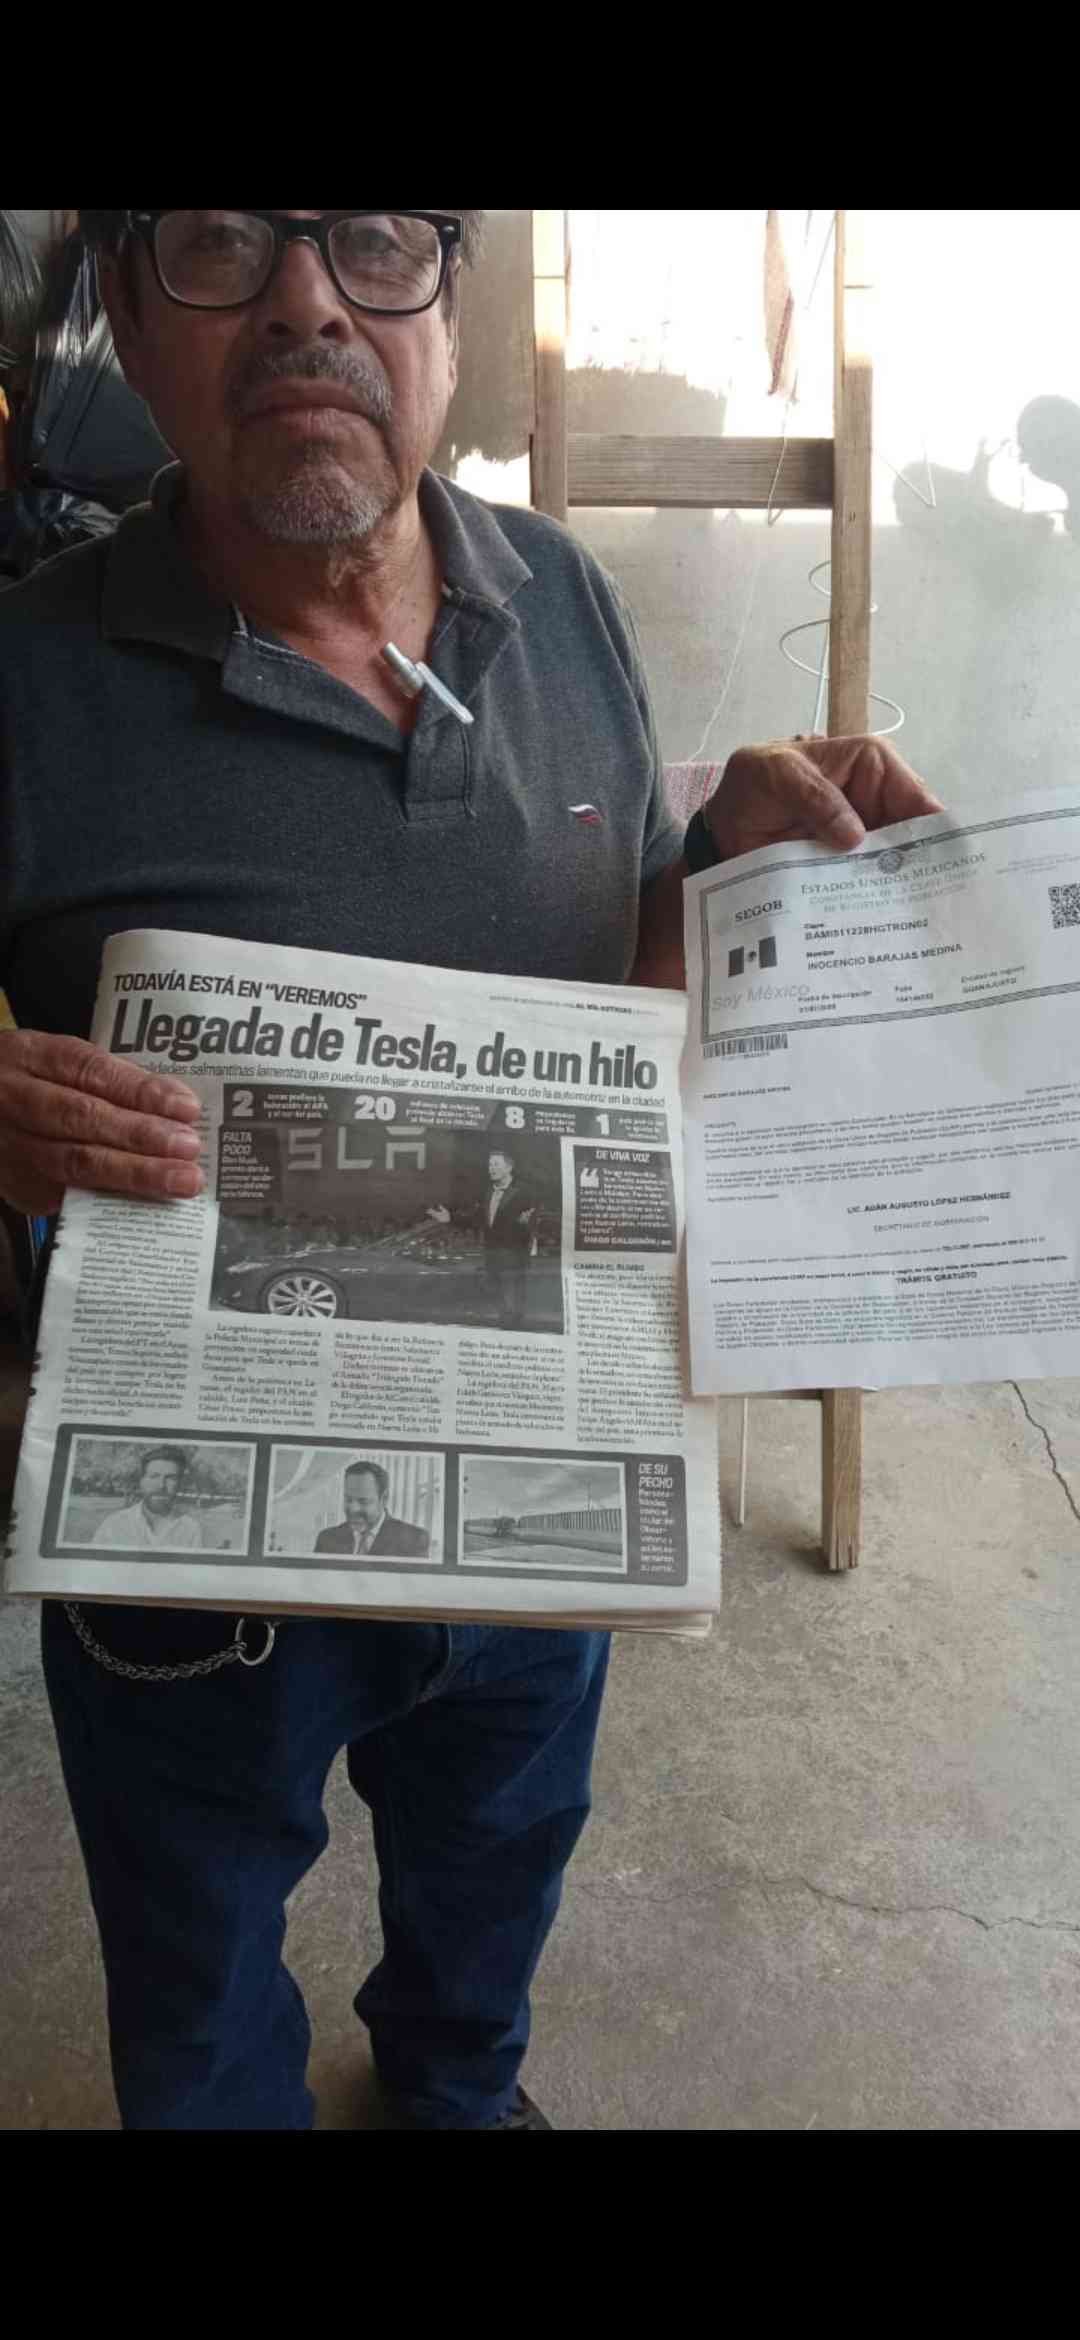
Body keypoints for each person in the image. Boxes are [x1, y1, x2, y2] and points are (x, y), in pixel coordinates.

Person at [0, 209, 942, 2133]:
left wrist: (726, 874)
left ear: (449, 304)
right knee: (196, 1957)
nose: (306, 302)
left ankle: (452, 2090)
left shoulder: (563, 598)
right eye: (219, 242)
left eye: (371, 238)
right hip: (190, 1547)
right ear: (126, 314)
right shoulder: (26, 678)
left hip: (540, 1487)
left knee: (499, 1860)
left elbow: (621, 1004)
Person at [428, 1144, 539, 1329]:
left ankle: (514, 1332)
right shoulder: (488, 1193)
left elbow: (531, 1226)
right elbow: (476, 1219)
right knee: (501, 1306)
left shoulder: (524, 1193)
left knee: (512, 1308)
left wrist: (524, 1227)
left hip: (513, 1258)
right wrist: (450, 1218)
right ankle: (506, 1331)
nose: (491, 1168)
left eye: (496, 1164)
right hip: (492, 1257)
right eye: (489, 1165)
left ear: (509, 1167)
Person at [89, 1443, 202, 1550]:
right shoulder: (113, 1525)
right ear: (141, 1481)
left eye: (171, 1478)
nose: (161, 1485)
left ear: (180, 1484)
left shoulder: (191, 1529)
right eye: (154, 1476)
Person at [313, 1460, 429, 1559]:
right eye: (348, 1499)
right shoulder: (326, 1540)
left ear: (384, 1499)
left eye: (363, 1501)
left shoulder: (414, 1541)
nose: (353, 1509)